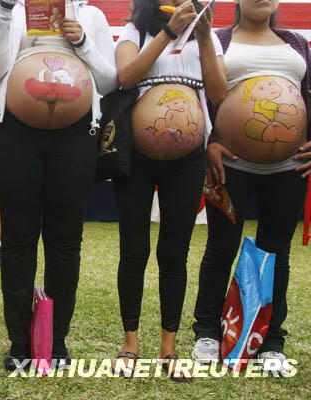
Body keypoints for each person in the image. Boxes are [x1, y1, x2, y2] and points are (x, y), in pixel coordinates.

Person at [0, 0, 118, 370]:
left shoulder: (91, 15)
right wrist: (5, 11)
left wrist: (84, 41)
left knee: (64, 240)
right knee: (18, 239)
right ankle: (19, 343)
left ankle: (55, 341)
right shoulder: (8, 11)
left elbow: (109, 80)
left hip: (75, 137)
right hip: (13, 133)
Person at [192, 0, 311, 376]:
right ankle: (208, 332)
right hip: (229, 169)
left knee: (277, 253)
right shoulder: (220, 40)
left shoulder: (296, 43)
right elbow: (203, 94)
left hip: (289, 168)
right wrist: (210, 140)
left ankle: (272, 340)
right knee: (221, 247)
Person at [113, 0, 226, 381]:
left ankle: (169, 348)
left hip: (188, 160)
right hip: (135, 158)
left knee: (174, 253)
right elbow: (127, 76)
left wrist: (205, 37)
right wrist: (169, 33)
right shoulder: (135, 32)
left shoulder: (207, 40)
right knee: (133, 250)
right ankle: (130, 344)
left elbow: (220, 91)